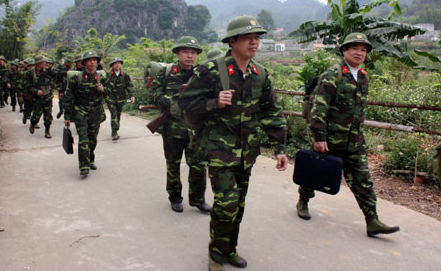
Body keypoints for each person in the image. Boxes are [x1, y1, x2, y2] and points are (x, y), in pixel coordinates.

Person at [178, 16, 288, 271]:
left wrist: (281, 147)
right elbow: (183, 103)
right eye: (248, 37)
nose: (254, 42)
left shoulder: (260, 74)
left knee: (238, 204)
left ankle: (229, 248)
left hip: (247, 152)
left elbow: (270, 112)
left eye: (257, 37)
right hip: (219, 150)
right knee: (226, 204)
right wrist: (213, 102)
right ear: (232, 41)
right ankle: (216, 255)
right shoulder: (210, 71)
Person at [296, 32, 400, 237]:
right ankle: (303, 201)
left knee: (364, 181)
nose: (359, 53)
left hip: (354, 142)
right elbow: (319, 109)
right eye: (354, 48)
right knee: (314, 173)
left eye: (363, 50)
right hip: (329, 140)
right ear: (344, 50)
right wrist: (319, 138)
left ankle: (372, 221)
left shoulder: (363, 77)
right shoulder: (332, 75)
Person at [150, 36, 211, 214]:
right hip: (172, 128)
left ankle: (198, 199)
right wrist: (172, 102)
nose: (190, 56)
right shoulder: (166, 72)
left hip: (195, 129)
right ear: (177, 53)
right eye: (185, 51)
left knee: (199, 165)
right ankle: (175, 198)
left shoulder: (200, 74)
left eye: (193, 52)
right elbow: (153, 94)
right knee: (173, 164)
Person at [63, 50, 108, 176]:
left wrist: (103, 89)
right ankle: (83, 165)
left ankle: (90, 159)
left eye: (94, 60)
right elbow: (69, 97)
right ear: (84, 63)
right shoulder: (76, 78)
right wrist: (67, 116)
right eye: (89, 60)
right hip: (80, 111)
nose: (92, 62)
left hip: (96, 112)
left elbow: (112, 92)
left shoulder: (102, 77)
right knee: (84, 139)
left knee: (92, 139)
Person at [26, 55, 56, 139]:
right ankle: (33, 123)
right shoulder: (30, 73)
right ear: (38, 63)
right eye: (44, 62)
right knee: (36, 115)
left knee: (48, 115)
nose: (45, 63)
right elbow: (27, 85)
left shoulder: (48, 71)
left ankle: (47, 131)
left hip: (48, 96)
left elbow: (55, 77)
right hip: (37, 98)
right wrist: (36, 91)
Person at [105, 57, 135, 140]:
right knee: (114, 115)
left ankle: (115, 130)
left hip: (121, 98)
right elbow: (104, 86)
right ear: (112, 65)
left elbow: (129, 85)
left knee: (118, 115)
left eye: (119, 63)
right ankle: (114, 132)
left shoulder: (124, 75)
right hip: (111, 98)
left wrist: (132, 95)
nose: (117, 64)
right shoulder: (108, 75)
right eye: (115, 63)